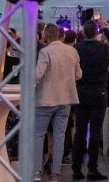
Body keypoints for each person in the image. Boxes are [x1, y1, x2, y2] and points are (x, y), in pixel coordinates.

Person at [34, 22, 82, 182]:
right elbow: (78, 75)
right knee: (60, 136)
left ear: (45, 36)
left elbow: (37, 75)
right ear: (61, 36)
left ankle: (37, 172)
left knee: (39, 135)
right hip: (66, 99)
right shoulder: (72, 51)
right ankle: (56, 174)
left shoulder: (45, 52)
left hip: (46, 99)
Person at [71, 20, 109, 181]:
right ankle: (92, 169)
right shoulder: (104, 48)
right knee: (94, 131)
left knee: (80, 130)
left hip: (80, 92)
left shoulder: (77, 48)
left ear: (83, 32)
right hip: (98, 92)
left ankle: (76, 168)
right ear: (97, 32)